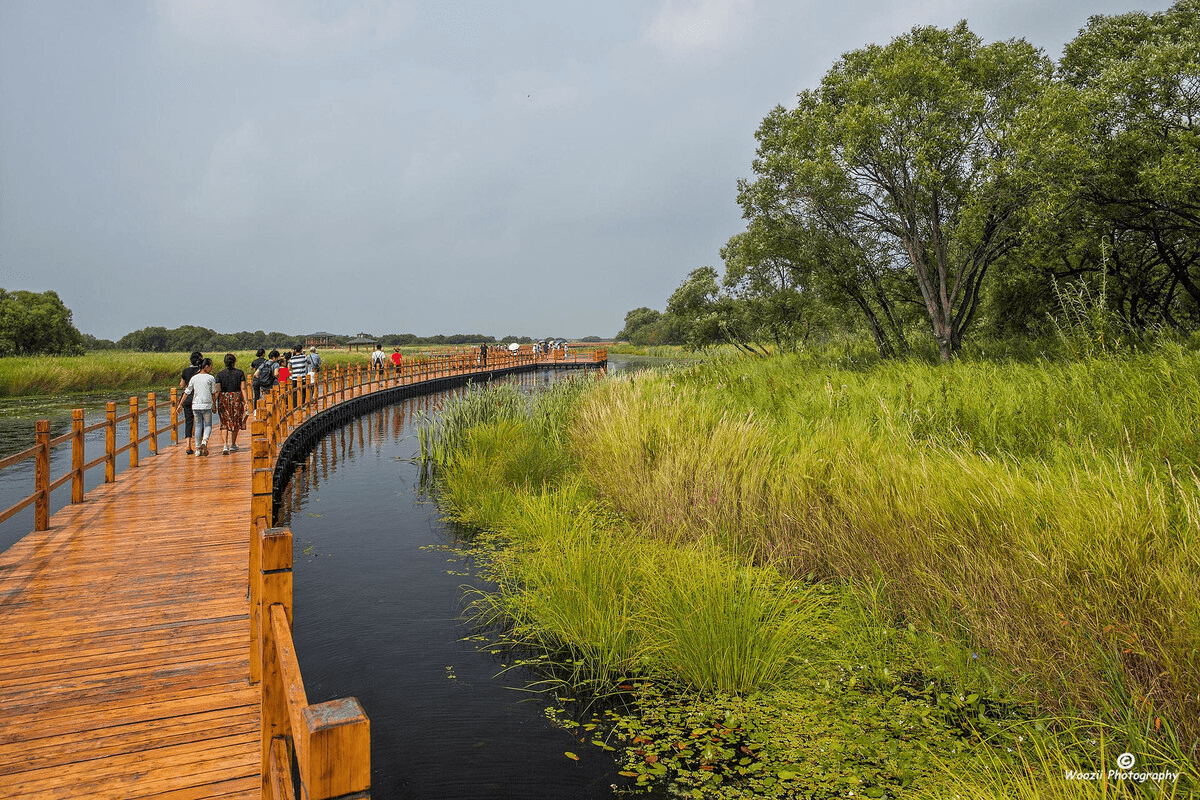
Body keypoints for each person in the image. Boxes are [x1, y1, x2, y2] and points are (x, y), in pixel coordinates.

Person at [177, 357, 217, 457]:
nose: (211, 368)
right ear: (206, 366)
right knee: (207, 425)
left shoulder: (194, 378)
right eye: (211, 366)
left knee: (198, 426)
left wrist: (180, 404)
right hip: (206, 406)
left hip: (196, 406)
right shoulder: (211, 378)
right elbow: (213, 393)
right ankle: (204, 441)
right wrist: (214, 404)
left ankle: (198, 449)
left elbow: (187, 392)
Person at [215, 353, 250, 455]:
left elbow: (217, 390)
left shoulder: (220, 374)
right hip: (236, 398)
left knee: (224, 422)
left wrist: (213, 402)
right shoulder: (240, 373)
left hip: (223, 399)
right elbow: (243, 388)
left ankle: (225, 445)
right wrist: (246, 402)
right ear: (234, 362)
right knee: (236, 421)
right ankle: (233, 444)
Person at [178, 351, 203, 455]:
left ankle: (188, 445)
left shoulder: (186, 371)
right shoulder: (201, 371)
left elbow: (181, 385)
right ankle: (199, 445)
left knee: (189, 421)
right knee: (200, 421)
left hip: (187, 399)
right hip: (198, 399)